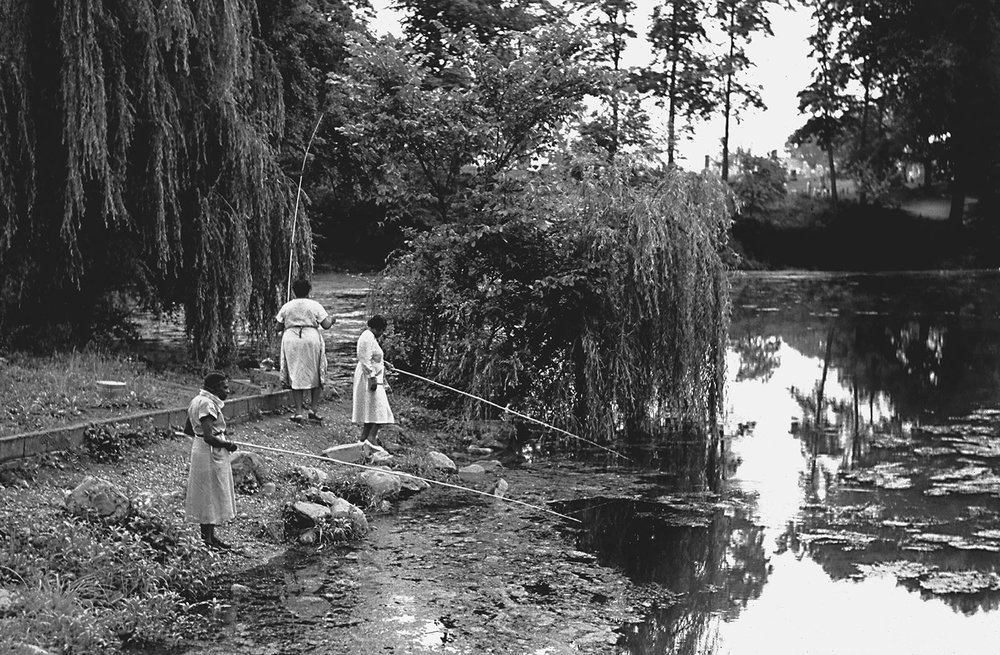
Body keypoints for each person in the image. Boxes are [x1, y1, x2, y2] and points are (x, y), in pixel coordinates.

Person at [185, 371, 238, 550]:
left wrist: (206, 436)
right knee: (208, 493)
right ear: (214, 388)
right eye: (225, 387)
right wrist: (227, 444)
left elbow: (188, 429)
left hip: (202, 449)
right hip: (209, 452)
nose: (228, 391)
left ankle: (210, 538)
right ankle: (206, 540)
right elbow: (208, 437)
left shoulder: (197, 400)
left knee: (211, 493)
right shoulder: (207, 404)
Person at [275, 278, 335, 423]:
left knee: (295, 372)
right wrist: (332, 320)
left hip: (291, 339)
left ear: (294, 291)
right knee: (316, 371)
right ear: (309, 291)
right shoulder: (315, 305)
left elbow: (278, 327)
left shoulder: (287, 306)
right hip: (310, 338)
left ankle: (298, 412)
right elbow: (326, 325)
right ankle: (313, 409)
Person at [352, 314, 395, 444]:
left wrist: (385, 363)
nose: (382, 333)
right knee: (381, 408)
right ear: (377, 328)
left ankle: (364, 437)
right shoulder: (366, 337)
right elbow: (364, 359)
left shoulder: (370, 337)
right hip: (368, 377)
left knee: (372, 408)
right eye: (382, 330)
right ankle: (371, 437)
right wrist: (372, 377)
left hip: (373, 374)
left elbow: (373, 355)